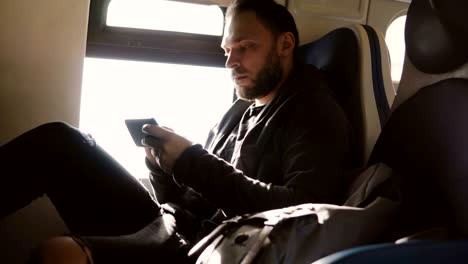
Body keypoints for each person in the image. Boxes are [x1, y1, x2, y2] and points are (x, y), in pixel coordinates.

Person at [0, 0, 353, 263]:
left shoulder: (314, 110)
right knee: (62, 143)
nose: (230, 63)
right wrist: (161, 166)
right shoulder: (241, 109)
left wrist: (190, 160)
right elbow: (188, 196)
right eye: (227, 51)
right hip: (172, 221)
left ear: (285, 45)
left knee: (59, 254)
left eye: (245, 48)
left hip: (208, 246)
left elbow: (304, 212)